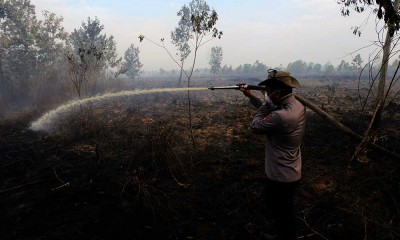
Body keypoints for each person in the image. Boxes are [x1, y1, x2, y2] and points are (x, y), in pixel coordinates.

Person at [240, 69, 306, 240]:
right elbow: (272, 112)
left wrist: (264, 103)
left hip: (281, 174)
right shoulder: (295, 106)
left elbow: (257, 125)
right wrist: (252, 97)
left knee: (281, 212)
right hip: (290, 170)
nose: (266, 93)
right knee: (281, 210)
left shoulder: (283, 116)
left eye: (268, 90)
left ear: (278, 92)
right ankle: (283, 235)